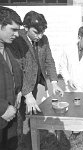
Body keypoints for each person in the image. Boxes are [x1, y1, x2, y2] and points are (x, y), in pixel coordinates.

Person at [10, 11, 64, 149]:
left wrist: (54, 82)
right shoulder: (16, 39)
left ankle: (28, 141)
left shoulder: (44, 39)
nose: (40, 36)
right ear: (26, 28)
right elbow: (18, 69)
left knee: (29, 115)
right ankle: (18, 143)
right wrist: (26, 94)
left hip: (33, 84)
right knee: (17, 118)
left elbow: (49, 60)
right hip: (17, 87)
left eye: (42, 32)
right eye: (36, 32)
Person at [0, 6, 23, 150]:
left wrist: (18, 90)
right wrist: (2, 108)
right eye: (13, 29)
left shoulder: (9, 48)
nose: (17, 34)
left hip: (10, 122)